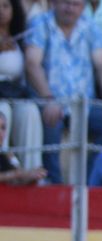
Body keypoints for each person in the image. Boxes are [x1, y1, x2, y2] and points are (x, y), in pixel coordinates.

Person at [23, 0, 102, 184]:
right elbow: (32, 64)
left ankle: (89, 181)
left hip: (84, 105)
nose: (70, 8)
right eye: (66, 3)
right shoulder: (41, 23)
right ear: (55, 3)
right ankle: (53, 184)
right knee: (51, 121)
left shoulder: (90, 26)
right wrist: (48, 99)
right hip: (49, 100)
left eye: (76, 4)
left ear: (83, 7)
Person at [2, 0, 46, 174]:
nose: (1, 11)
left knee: (30, 111)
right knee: (2, 110)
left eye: (5, 6)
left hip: (14, 93)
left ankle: (32, 171)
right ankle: (6, 170)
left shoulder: (19, 37)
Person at [0, 108, 47, 183]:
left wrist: (32, 176)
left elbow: (19, 178)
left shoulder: (7, 155)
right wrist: (16, 174)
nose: (0, 133)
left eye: (3, 128)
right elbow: (16, 174)